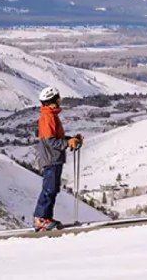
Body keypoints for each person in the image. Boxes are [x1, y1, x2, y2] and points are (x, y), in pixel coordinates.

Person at [33, 86, 83, 231]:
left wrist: (71, 139)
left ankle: (46, 218)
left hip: (54, 158)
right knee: (49, 189)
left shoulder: (51, 115)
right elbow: (51, 141)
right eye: (58, 97)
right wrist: (68, 143)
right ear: (53, 101)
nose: (60, 100)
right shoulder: (48, 117)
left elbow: (55, 138)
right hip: (51, 159)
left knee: (53, 188)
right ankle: (41, 218)